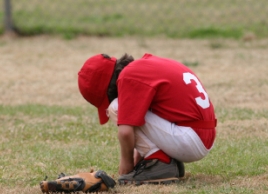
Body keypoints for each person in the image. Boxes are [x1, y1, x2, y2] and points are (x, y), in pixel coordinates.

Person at [78, 53, 217, 185]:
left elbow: (126, 132)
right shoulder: (145, 67)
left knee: (116, 107)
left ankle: (159, 163)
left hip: (189, 139)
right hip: (202, 135)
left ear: (109, 89)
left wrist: (127, 165)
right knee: (135, 109)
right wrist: (143, 154)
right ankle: (163, 161)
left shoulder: (127, 77)